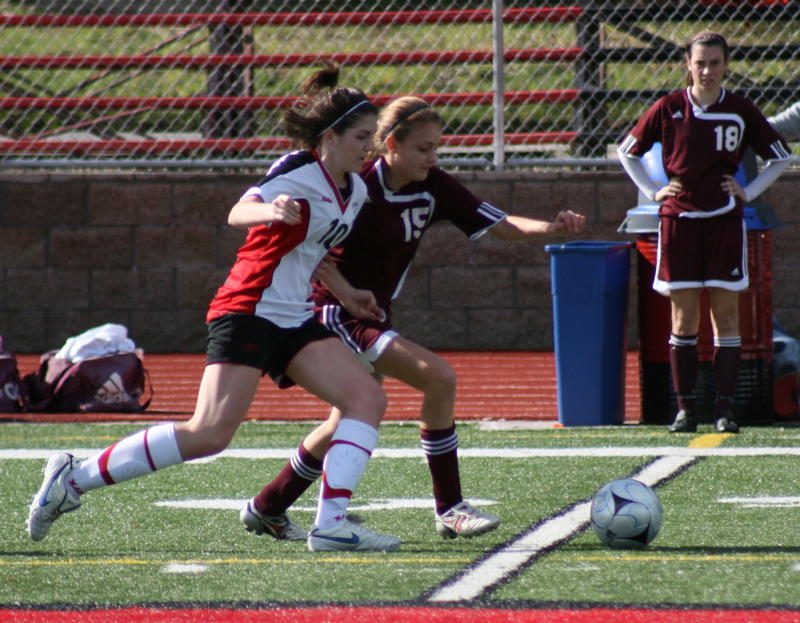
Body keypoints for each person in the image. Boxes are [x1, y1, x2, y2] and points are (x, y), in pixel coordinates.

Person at [26, 65, 403, 553]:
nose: (369, 147)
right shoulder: (298, 168)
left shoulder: (357, 190)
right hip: (249, 309)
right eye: (361, 137)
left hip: (294, 317)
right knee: (208, 433)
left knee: (366, 399)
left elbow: (313, 253)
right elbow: (238, 211)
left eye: (372, 137)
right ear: (329, 136)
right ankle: (73, 478)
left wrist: (347, 294)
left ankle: (331, 525)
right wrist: (271, 210)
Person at [239, 96, 586, 542]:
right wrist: (345, 293)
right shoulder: (357, 183)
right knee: (437, 378)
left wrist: (552, 228)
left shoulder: (433, 185)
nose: (433, 157)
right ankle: (449, 507)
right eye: (423, 148)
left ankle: (269, 505)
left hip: (369, 311)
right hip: (333, 310)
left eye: (436, 147)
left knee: (346, 418)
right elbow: (314, 251)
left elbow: (497, 223)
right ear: (391, 145)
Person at [618, 31, 791, 434]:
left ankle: (725, 409)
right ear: (688, 65)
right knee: (683, 319)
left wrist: (748, 192)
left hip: (724, 223)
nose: (707, 70)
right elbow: (628, 151)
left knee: (726, 317)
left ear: (726, 65)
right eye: (700, 63)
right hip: (679, 224)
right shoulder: (669, 107)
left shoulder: (740, 109)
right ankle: (685, 409)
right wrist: (654, 191)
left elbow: (781, 156)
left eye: (714, 63)